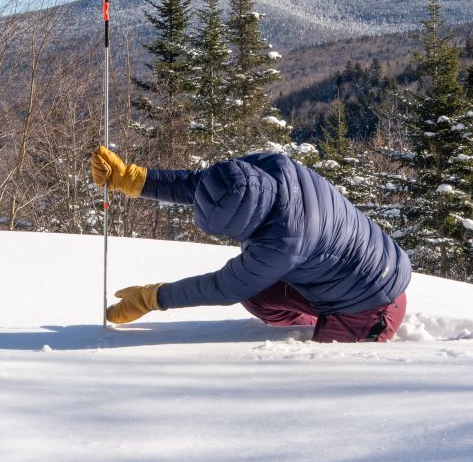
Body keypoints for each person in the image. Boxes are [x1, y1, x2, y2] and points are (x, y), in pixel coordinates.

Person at [91, 146, 411, 342]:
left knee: (321, 374)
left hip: (374, 304)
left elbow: (223, 287)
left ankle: (333, 323)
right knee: (257, 296)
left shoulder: (283, 241)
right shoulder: (271, 167)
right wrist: (133, 179)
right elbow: (209, 186)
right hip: (358, 269)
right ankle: (312, 318)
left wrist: (151, 298)